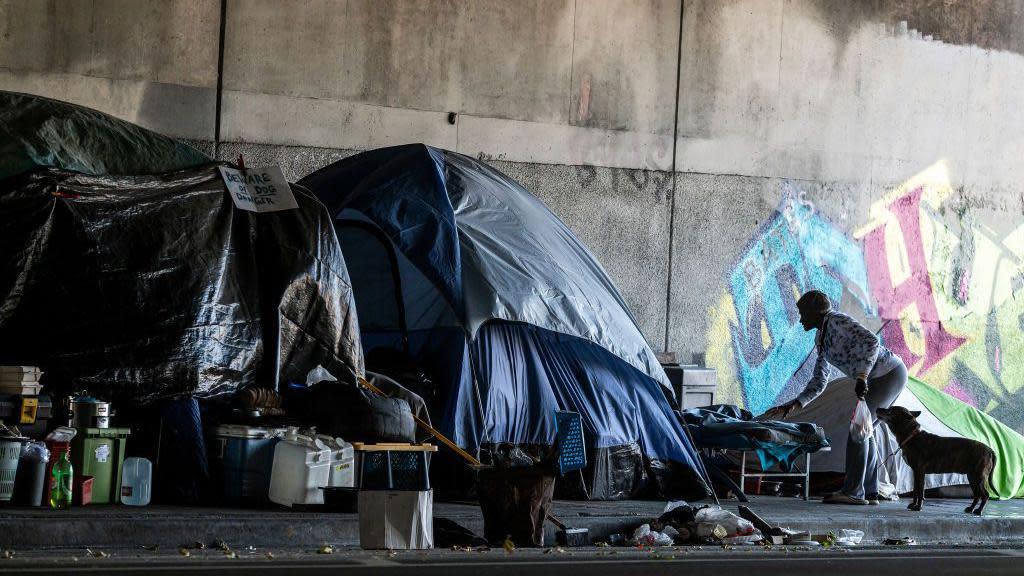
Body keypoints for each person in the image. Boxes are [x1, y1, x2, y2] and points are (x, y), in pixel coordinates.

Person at [762, 290, 907, 505]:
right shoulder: (820, 338)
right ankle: (869, 491)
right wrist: (794, 404)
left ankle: (853, 493)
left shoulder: (837, 321)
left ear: (816, 312)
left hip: (887, 374)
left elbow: (872, 343)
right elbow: (820, 381)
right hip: (879, 377)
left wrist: (862, 376)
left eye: (803, 313)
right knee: (865, 431)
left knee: (858, 430)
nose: (801, 319)